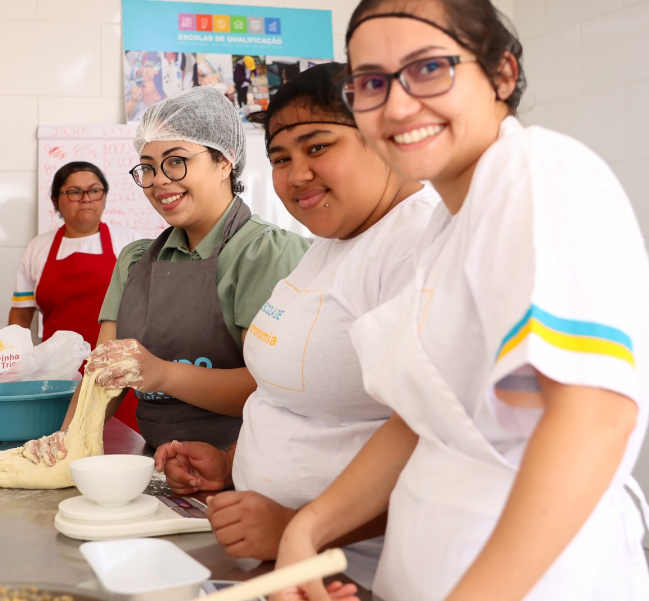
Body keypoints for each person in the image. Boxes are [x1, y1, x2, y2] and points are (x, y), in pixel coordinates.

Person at [274, 2, 649, 600]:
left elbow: (594, 417)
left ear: (501, 73)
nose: (397, 106)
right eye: (371, 83)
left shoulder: (535, 174)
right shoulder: (447, 225)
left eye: (429, 69)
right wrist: (308, 528)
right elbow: (426, 420)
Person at [152, 63, 439, 590]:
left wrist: (298, 528)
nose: (296, 174)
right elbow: (291, 399)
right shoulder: (329, 242)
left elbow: (435, 448)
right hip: (277, 555)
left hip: (356, 571)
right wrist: (229, 464)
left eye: (317, 146)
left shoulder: (419, 245)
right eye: (281, 158)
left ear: (384, 136)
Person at [43, 85, 309, 452]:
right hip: (157, 464)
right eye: (148, 168)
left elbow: (269, 387)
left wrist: (163, 373)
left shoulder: (263, 253)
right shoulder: (136, 262)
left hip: (244, 471)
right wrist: (64, 443)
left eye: (176, 160)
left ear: (224, 161)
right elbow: (104, 376)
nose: (160, 181)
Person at [9, 161, 140, 348]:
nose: (86, 199)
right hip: (54, 369)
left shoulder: (130, 243)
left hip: (115, 366)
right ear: (55, 201)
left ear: (104, 197)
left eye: (94, 191)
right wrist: (12, 359)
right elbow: (21, 314)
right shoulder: (38, 247)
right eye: (75, 192)